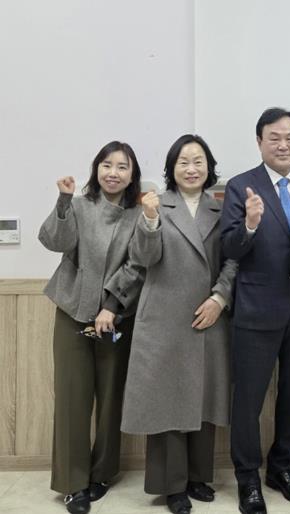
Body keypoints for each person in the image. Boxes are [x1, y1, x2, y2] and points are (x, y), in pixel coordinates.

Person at [120, 134, 237, 514]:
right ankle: (172, 485)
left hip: (208, 316)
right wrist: (150, 220)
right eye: (183, 161)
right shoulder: (156, 204)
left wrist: (220, 298)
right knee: (167, 401)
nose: (191, 168)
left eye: (198, 161)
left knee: (204, 398)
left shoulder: (221, 209)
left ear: (209, 167)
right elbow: (144, 259)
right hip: (164, 318)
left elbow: (233, 261)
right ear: (172, 168)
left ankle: (199, 476)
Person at [221, 107, 290, 514]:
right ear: (260, 142)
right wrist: (249, 224)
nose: (283, 145)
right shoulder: (240, 186)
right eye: (274, 138)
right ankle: (247, 477)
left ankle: (281, 469)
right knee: (248, 400)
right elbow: (229, 248)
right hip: (256, 308)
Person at [39, 141, 145, 514]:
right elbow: (54, 241)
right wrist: (63, 201)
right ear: (96, 169)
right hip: (72, 313)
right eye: (106, 165)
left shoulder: (139, 214)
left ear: (132, 175)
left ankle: (102, 473)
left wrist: (111, 306)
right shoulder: (80, 205)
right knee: (72, 399)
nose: (113, 173)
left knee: (111, 396)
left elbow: (138, 266)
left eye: (122, 166)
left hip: (116, 319)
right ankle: (73, 483)